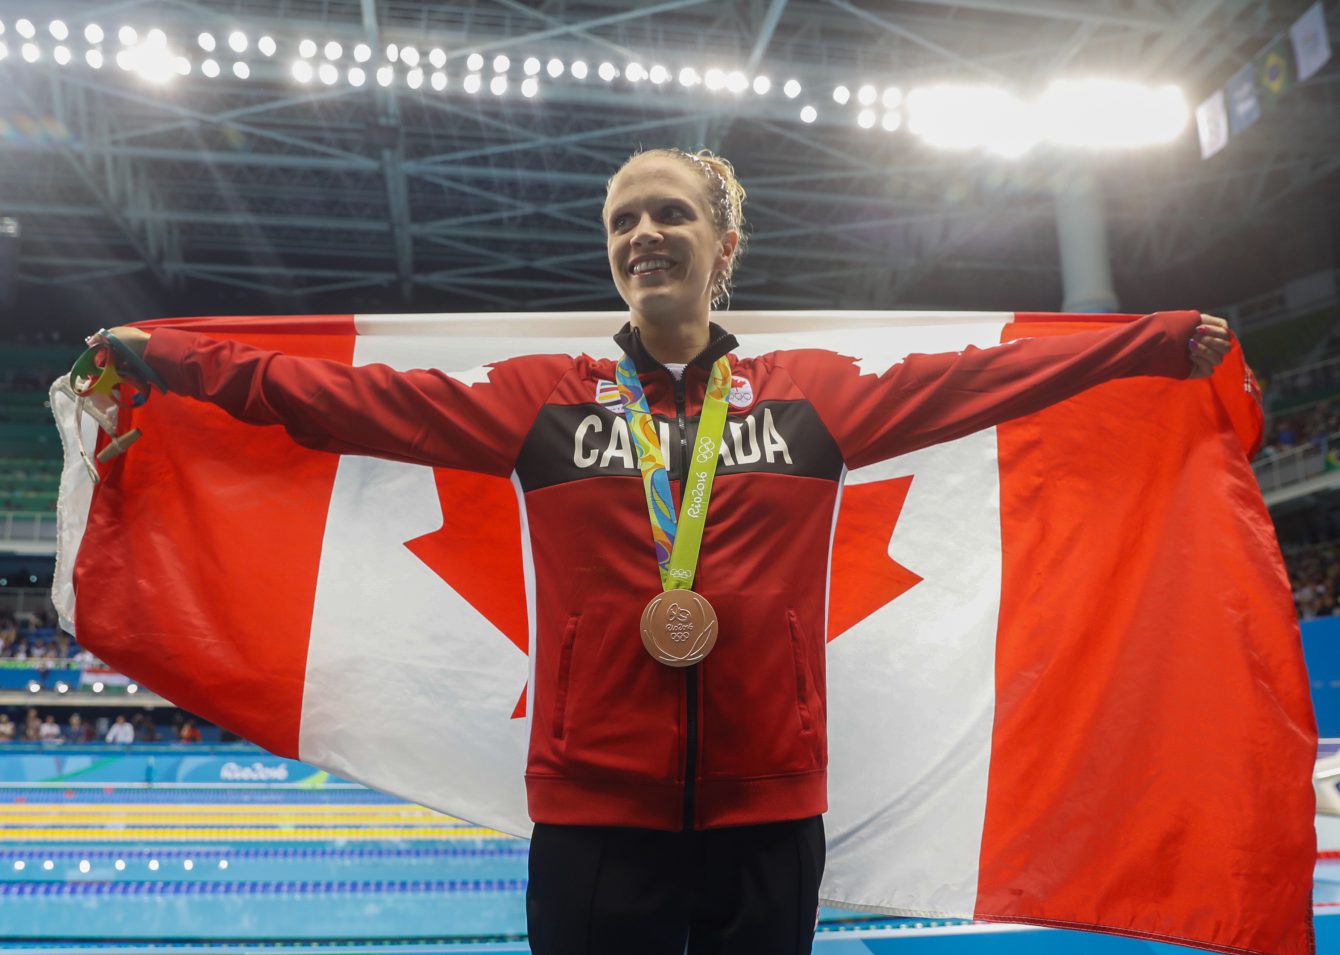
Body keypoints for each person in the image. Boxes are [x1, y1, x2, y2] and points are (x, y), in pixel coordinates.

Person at [101, 147, 1232, 954]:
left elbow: (989, 379)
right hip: (594, 815)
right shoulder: (541, 404)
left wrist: (1156, 342)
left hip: (769, 812)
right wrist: (178, 360)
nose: (643, 233)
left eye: (669, 214)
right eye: (622, 220)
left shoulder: (810, 402)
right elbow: (339, 402)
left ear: (721, 241)